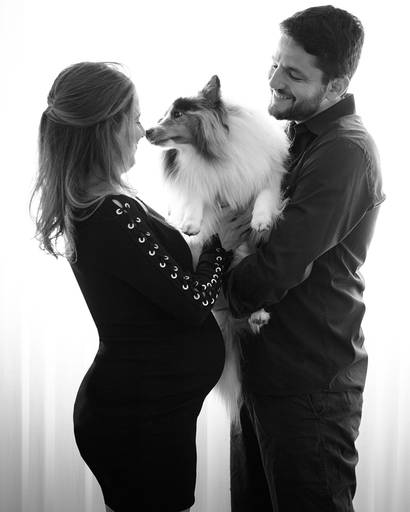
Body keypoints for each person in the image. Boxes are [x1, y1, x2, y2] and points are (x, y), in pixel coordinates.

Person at [31, 61, 236, 512]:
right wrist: (221, 241)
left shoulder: (104, 202)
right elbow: (192, 302)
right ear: (108, 129)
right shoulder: (109, 212)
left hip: (150, 413)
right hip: (141, 422)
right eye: (136, 119)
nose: (143, 132)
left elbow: (162, 287)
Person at [224, 6, 385, 512]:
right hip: (261, 374)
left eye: (294, 74)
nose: (274, 80)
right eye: (275, 63)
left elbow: (277, 268)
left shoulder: (345, 151)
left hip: (309, 388)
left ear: (336, 86)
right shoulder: (291, 134)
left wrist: (208, 289)